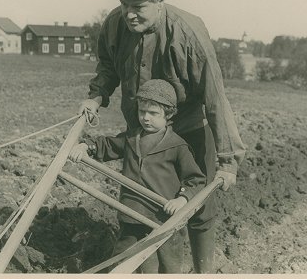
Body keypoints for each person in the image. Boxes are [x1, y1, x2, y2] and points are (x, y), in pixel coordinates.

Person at [78, 0, 246, 273]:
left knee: (199, 207)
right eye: (124, 4)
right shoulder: (115, 24)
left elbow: (215, 97)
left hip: (189, 128)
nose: (129, 13)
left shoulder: (187, 34)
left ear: (159, 1)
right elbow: (107, 65)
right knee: (142, 205)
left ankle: (203, 270)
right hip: (142, 129)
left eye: (138, 6)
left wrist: (228, 161)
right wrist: (97, 94)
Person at [70, 79, 206, 273]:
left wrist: (182, 200)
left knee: (168, 267)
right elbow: (108, 146)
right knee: (122, 261)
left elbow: (195, 179)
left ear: (168, 114)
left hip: (164, 219)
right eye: (142, 111)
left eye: (153, 113)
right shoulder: (131, 138)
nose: (146, 118)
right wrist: (86, 147)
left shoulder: (177, 146)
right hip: (131, 215)